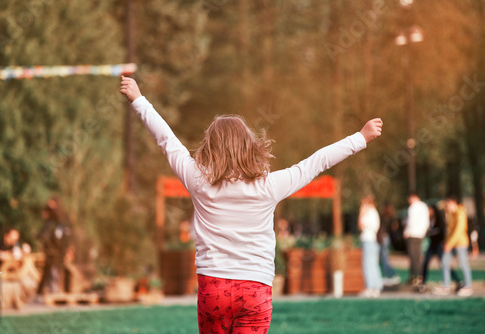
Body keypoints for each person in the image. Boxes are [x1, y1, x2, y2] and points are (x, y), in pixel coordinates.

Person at [120, 76, 383, 333]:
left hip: (213, 287)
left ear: (210, 147)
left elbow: (167, 141)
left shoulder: (197, 180)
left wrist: (138, 99)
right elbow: (315, 163)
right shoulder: (268, 186)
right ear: (249, 146)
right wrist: (360, 138)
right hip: (255, 288)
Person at [434, 197, 473, 296]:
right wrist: (446, 241)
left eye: (448, 204)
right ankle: (445, 286)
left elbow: (458, 230)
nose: (447, 206)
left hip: (460, 243)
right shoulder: (450, 213)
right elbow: (449, 230)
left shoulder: (460, 212)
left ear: (453, 203)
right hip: (450, 243)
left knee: (463, 264)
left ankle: (468, 286)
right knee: (444, 262)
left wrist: (449, 244)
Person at [419, 205, 461, 293]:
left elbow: (441, 231)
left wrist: (431, 233)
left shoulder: (439, 220)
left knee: (444, 263)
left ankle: (457, 281)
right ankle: (422, 283)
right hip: (432, 245)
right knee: (425, 262)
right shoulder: (429, 220)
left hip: (439, 245)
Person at [36, 197, 73, 296]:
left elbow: (67, 235)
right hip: (52, 251)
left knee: (60, 270)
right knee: (50, 271)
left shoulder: (62, 220)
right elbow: (45, 235)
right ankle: (45, 292)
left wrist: (68, 248)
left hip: (59, 250)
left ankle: (65, 291)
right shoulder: (50, 222)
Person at [358, 195, 383, 298]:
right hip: (373, 240)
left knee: (368, 264)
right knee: (373, 264)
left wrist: (361, 212)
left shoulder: (369, 213)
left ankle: (370, 287)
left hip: (368, 240)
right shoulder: (374, 212)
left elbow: (360, 225)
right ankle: (376, 286)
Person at [403, 193, 430, 287]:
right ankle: (419, 276)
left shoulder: (413, 207)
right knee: (418, 255)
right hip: (420, 234)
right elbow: (427, 222)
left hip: (412, 234)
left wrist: (406, 232)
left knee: (413, 256)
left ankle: (414, 276)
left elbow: (411, 222)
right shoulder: (424, 207)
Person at [379, 202, 401, 287]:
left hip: (384, 238)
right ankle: (388, 276)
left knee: (384, 259)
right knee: (384, 258)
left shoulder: (384, 218)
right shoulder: (392, 218)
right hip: (387, 238)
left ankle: (392, 275)